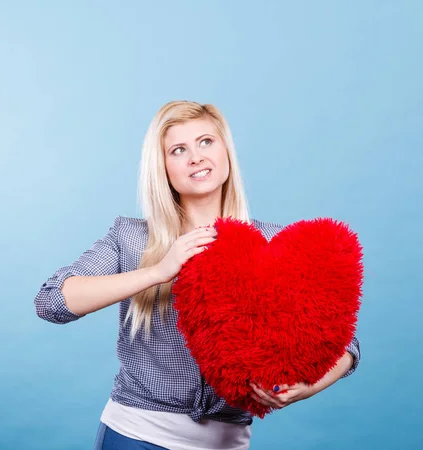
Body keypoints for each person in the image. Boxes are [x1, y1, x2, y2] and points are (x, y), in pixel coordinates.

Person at [34, 100, 361, 450]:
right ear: (163, 168)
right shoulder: (131, 238)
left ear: (226, 152)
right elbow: (51, 302)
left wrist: (306, 387)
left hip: (228, 441)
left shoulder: (275, 245)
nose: (196, 157)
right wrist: (158, 271)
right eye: (178, 150)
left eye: (206, 142)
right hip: (136, 435)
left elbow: (345, 344)